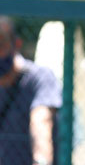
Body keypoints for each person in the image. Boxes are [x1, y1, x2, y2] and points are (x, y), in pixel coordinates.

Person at [0, 16, 62, 165]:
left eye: (1, 44)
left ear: (16, 44)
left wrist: (41, 161)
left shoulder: (40, 78)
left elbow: (41, 121)